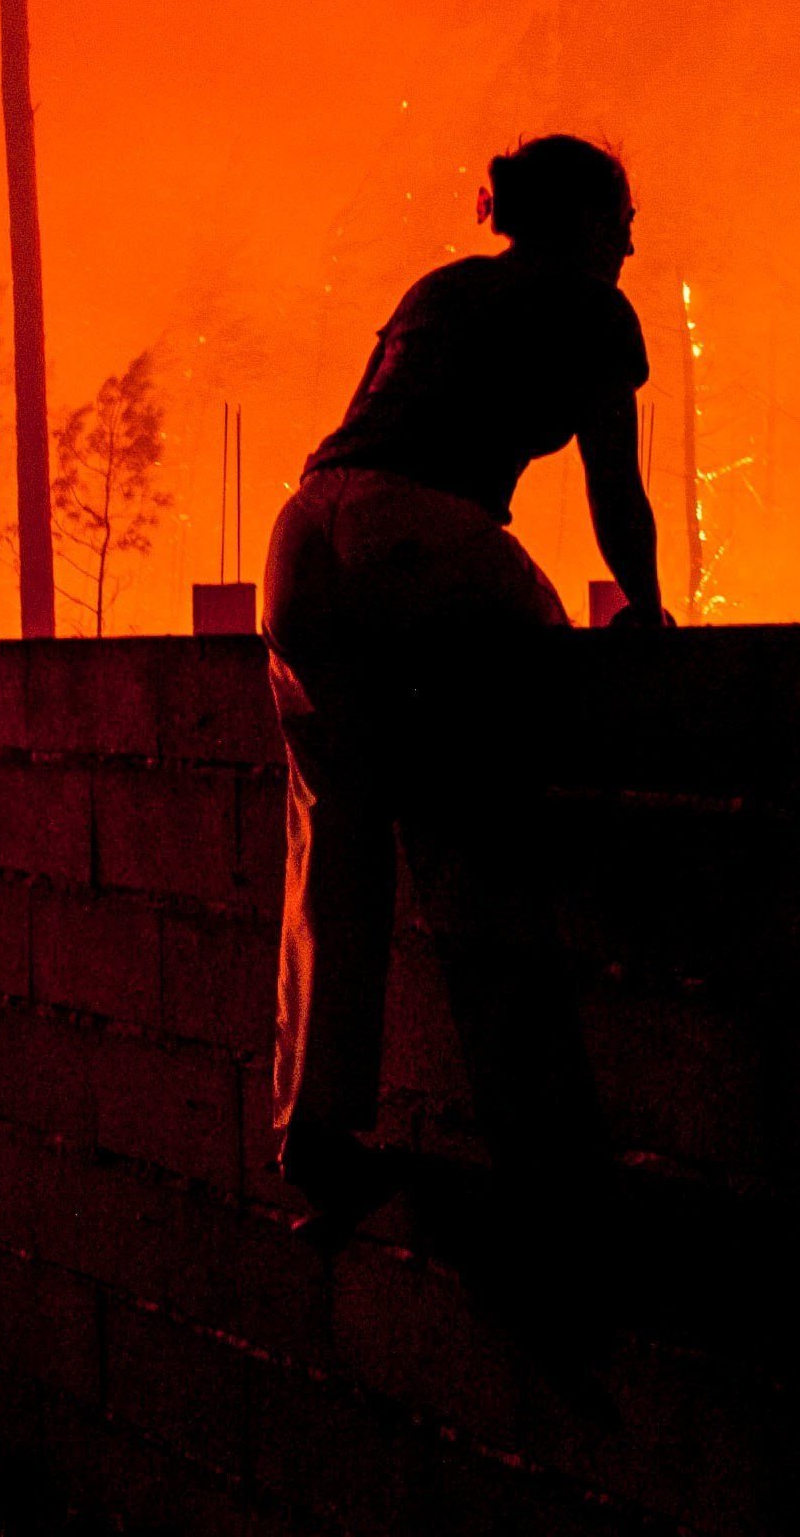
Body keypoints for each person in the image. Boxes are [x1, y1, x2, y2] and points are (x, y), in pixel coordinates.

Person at [261, 132, 667, 1250]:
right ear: (583, 222)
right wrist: (648, 607)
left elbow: (368, 447)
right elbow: (614, 484)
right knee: (485, 826)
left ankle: (318, 1136)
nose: (631, 239)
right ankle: (547, 1153)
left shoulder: (440, 287)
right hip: (427, 537)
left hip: (304, 535)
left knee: (333, 846)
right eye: (621, 218)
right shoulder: (591, 305)